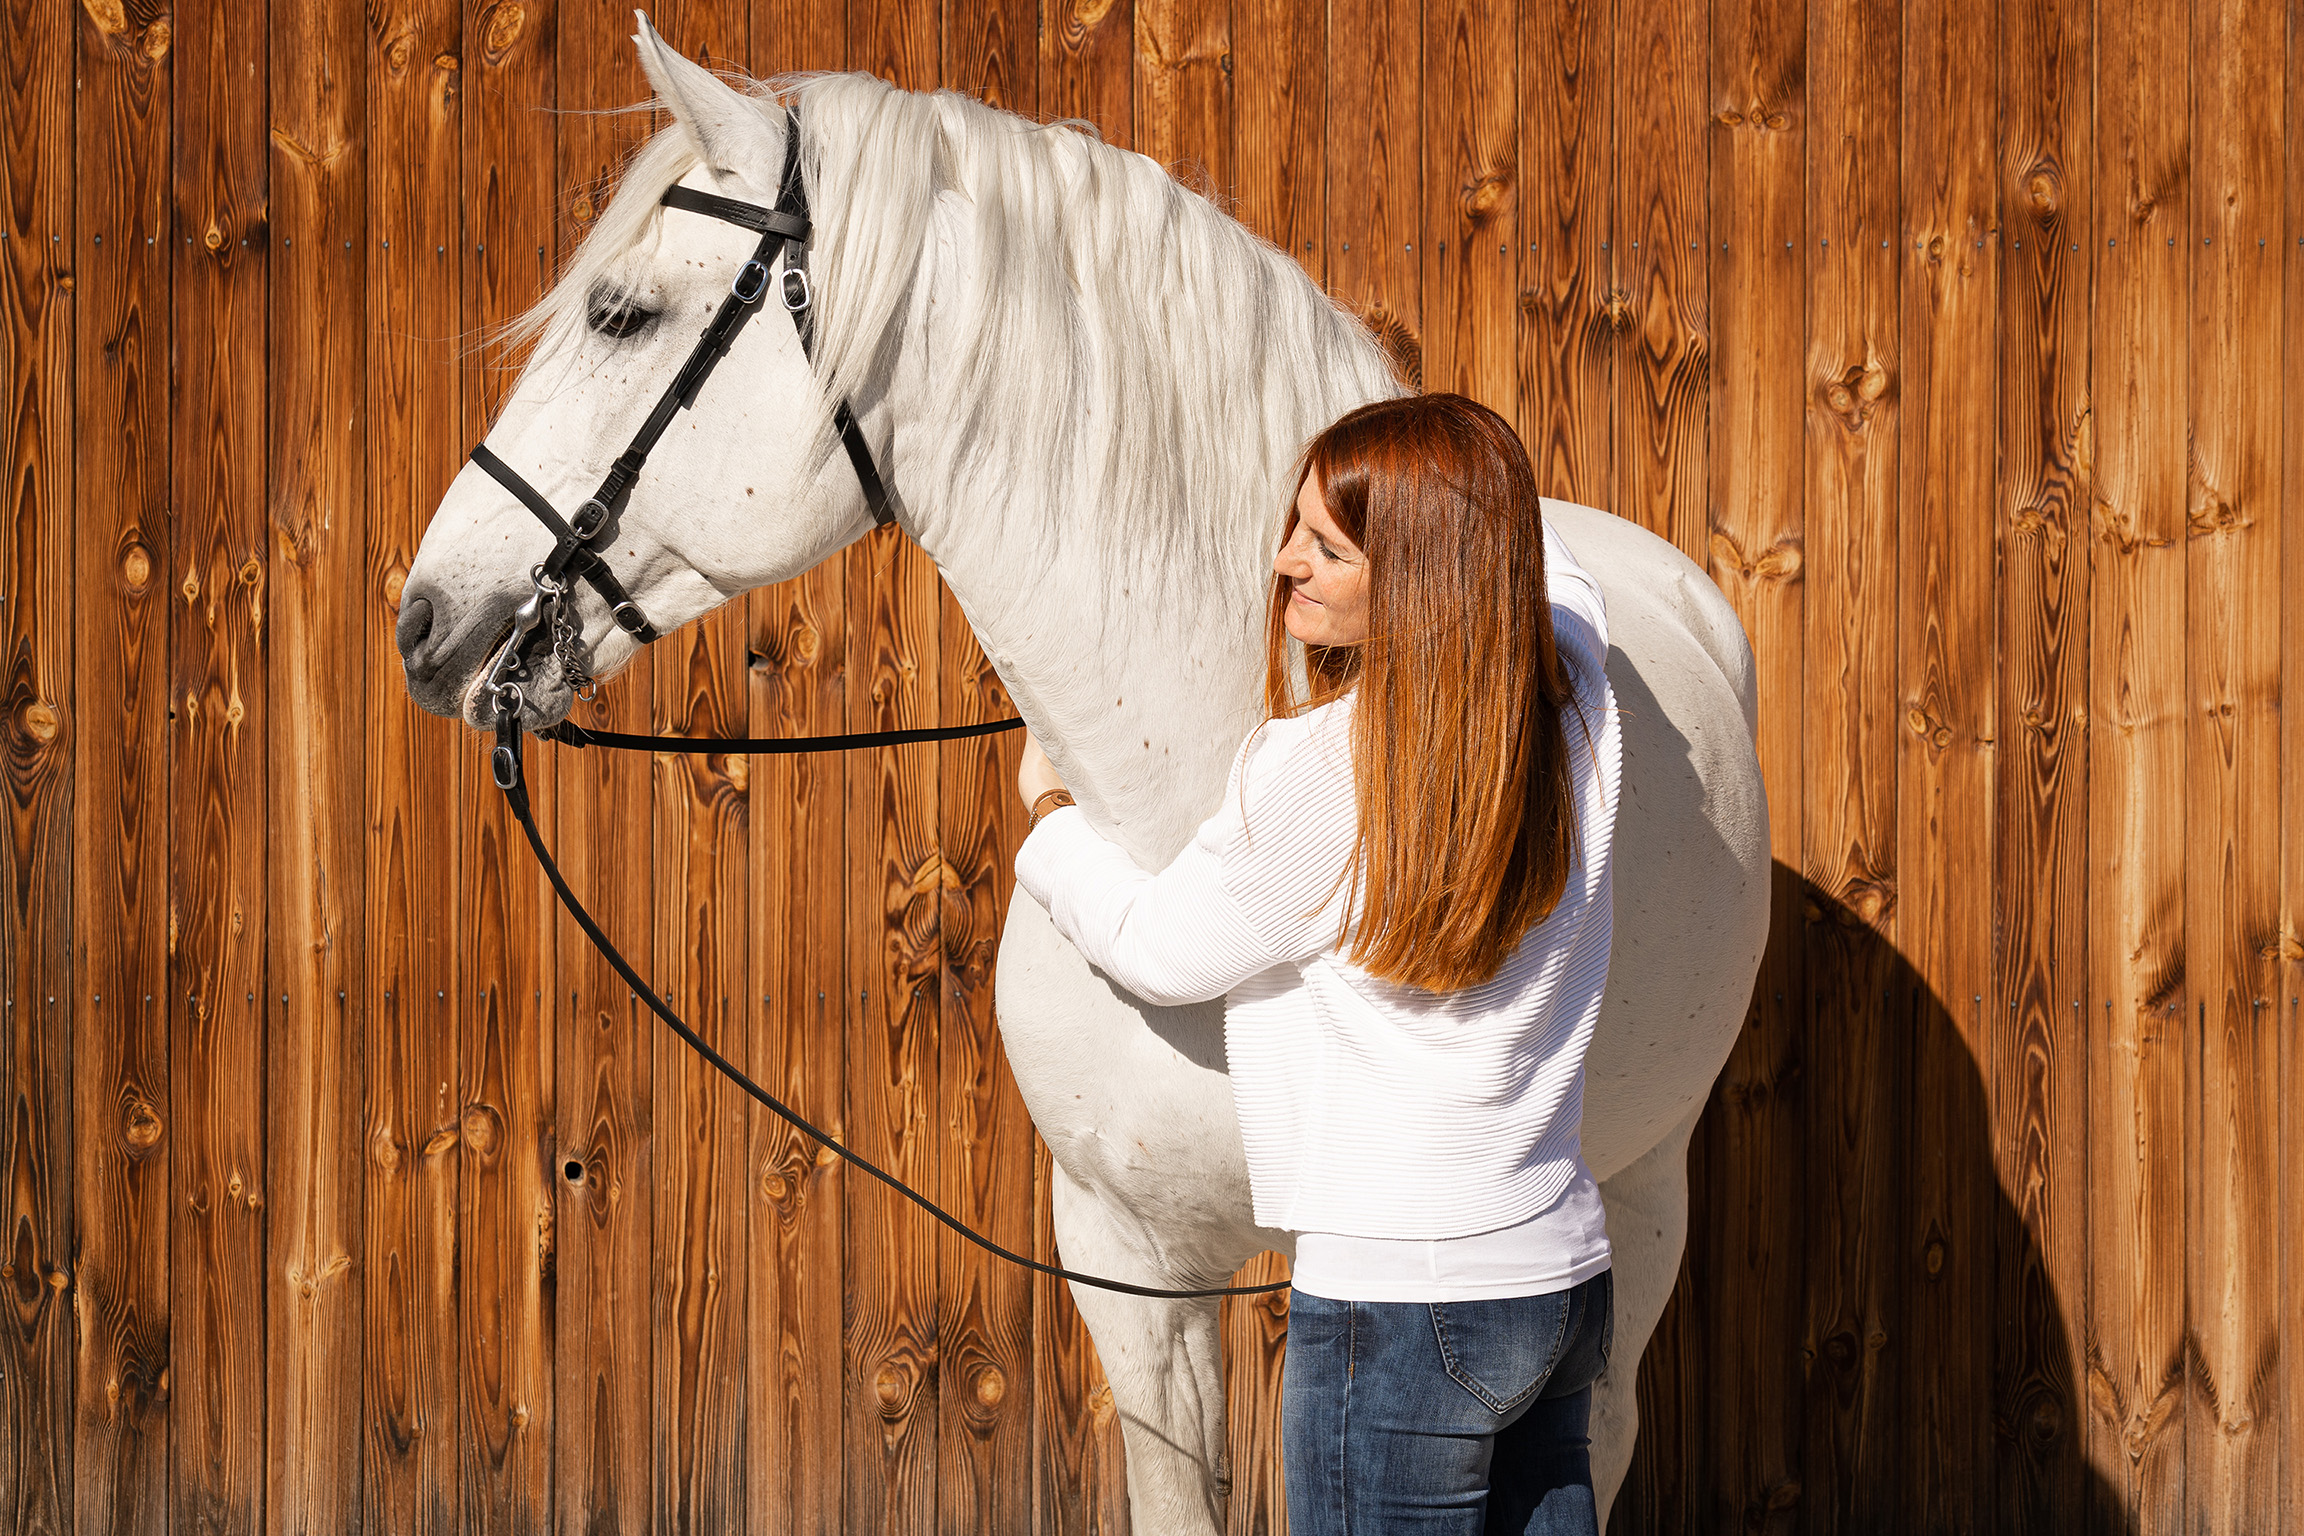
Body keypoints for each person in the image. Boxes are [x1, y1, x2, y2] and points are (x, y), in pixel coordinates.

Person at [1012, 392, 1622, 1535]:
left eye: (1329, 547)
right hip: (1557, 1283)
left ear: (1429, 574)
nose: (1285, 562)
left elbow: (1158, 946)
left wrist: (1048, 815)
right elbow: (1562, 568)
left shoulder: (1321, 770)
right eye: (1295, 524)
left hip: (1404, 1318)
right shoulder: (1578, 694)